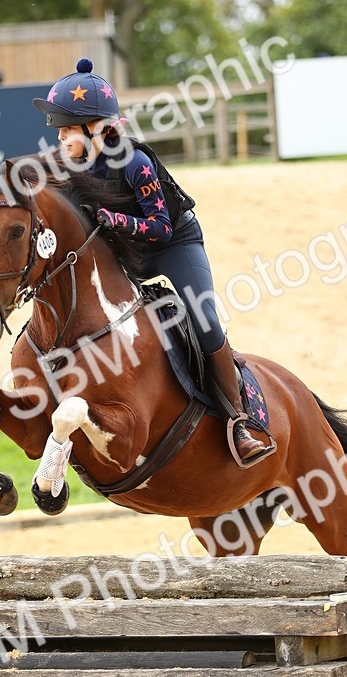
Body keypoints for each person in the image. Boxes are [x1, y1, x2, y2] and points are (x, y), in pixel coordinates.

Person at [32, 58, 276, 467]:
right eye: (59, 128)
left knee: (204, 320)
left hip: (172, 244)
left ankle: (239, 419)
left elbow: (160, 227)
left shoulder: (134, 163)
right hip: (125, 252)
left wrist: (112, 219)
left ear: (98, 128)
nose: (59, 136)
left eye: (67, 128)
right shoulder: (68, 165)